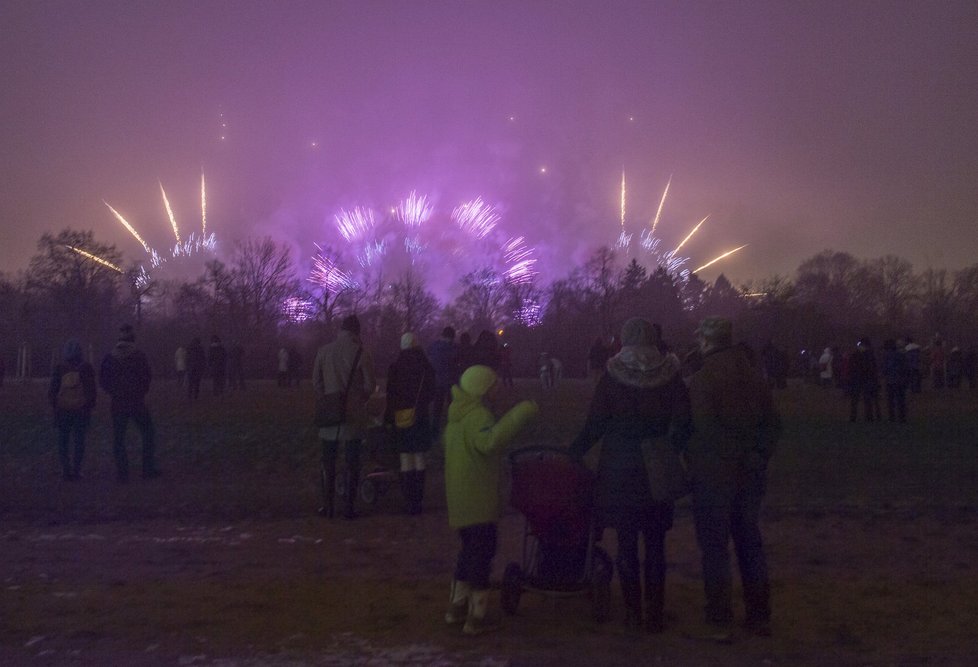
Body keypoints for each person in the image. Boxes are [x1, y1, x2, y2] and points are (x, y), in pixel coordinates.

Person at [569, 318, 691, 633]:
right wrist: (668, 446)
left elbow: (595, 425)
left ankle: (633, 613)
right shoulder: (670, 376)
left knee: (625, 543)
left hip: (620, 468)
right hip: (657, 469)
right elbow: (685, 424)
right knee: (655, 545)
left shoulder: (612, 378)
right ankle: (655, 613)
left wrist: (573, 452)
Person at [686, 317, 780, 640]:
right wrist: (756, 455)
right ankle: (758, 613)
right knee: (749, 541)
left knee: (715, 547)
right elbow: (773, 426)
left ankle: (720, 615)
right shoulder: (756, 377)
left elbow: (705, 428)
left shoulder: (702, 379)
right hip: (750, 474)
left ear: (709, 341)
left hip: (714, 474)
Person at [444, 364, 538, 635]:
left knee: (468, 552)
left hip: (461, 499)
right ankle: (477, 614)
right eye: (494, 386)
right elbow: (490, 442)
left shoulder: (456, 418)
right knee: (483, 554)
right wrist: (520, 413)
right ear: (483, 391)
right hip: (478, 498)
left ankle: (456, 607)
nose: (498, 390)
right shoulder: (478, 417)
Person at [312, 315, 376, 519]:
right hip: (353, 414)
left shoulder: (323, 351)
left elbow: (316, 381)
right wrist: (359, 399)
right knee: (352, 461)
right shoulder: (362, 353)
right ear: (357, 332)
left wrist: (327, 397)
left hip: (329, 412)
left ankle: (328, 506)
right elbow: (369, 385)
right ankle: (349, 507)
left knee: (328, 461)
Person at [99, 324, 160, 482]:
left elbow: (103, 380)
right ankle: (147, 469)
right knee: (147, 433)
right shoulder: (139, 356)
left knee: (119, 438)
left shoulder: (110, 357)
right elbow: (147, 376)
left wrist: (113, 392)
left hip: (118, 402)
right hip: (136, 401)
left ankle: (122, 473)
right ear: (133, 339)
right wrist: (140, 392)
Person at [384, 332, 435, 514]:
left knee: (405, 458)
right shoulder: (425, 366)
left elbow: (390, 394)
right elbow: (431, 391)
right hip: (419, 415)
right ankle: (418, 501)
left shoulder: (395, 367)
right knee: (419, 456)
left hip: (401, 416)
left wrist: (388, 417)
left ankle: (408, 501)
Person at [48, 339, 97, 480]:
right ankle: (77, 470)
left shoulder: (59, 368)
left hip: (62, 410)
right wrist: (88, 406)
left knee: (63, 441)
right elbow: (91, 391)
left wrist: (55, 405)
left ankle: (65, 470)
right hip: (81, 411)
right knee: (79, 441)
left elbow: (52, 391)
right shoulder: (86, 368)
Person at [427, 326, 459, 439]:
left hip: (437, 381)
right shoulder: (452, 348)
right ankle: (454, 430)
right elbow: (455, 361)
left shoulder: (433, 346)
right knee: (453, 407)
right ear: (451, 337)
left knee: (437, 408)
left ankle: (434, 431)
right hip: (449, 381)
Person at [847, 338, 880, 422]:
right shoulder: (869, 355)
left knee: (862, 399)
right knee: (863, 399)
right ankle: (864, 417)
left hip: (862, 379)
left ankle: (863, 417)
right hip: (863, 379)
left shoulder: (862, 355)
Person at [881, 339, 909, 423]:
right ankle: (902, 417)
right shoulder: (901, 355)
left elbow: (885, 369)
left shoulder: (887, 356)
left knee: (891, 400)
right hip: (900, 380)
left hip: (890, 380)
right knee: (901, 400)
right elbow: (905, 368)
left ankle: (892, 417)